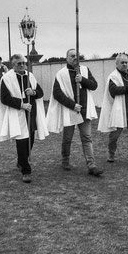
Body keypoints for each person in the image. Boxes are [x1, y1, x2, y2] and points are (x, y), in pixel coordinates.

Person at [46, 48, 103, 176]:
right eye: (72, 56)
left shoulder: (84, 70)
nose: (75, 58)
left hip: (84, 109)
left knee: (87, 138)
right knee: (67, 138)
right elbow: (57, 93)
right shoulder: (61, 74)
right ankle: (65, 160)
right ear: (67, 58)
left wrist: (82, 80)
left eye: (76, 56)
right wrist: (72, 105)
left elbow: (94, 85)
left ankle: (91, 164)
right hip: (70, 110)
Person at [0, 54, 48, 183]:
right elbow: (5, 98)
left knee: (29, 140)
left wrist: (33, 92)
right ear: (12, 65)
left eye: (24, 63)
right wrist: (21, 104)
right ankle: (26, 171)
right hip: (17, 114)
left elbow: (41, 92)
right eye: (19, 63)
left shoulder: (30, 76)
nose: (22, 65)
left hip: (31, 113)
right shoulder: (6, 79)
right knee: (21, 142)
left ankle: (21, 161)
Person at [98, 53, 128, 167]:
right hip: (119, 111)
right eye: (122, 62)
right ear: (117, 63)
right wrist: (127, 89)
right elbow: (113, 90)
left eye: (126, 62)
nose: (125, 64)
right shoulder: (113, 77)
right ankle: (111, 154)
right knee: (114, 136)